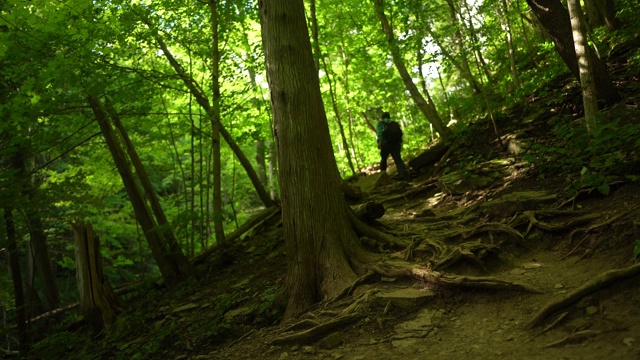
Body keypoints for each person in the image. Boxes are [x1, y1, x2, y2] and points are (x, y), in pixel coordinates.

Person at [376, 111, 408, 180]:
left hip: (386, 144)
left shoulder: (381, 124)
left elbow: (380, 134)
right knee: (398, 160)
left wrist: (379, 143)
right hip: (396, 144)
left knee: (384, 159)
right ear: (389, 117)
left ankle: (383, 176)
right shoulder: (394, 123)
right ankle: (404, 176)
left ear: (382, 117)